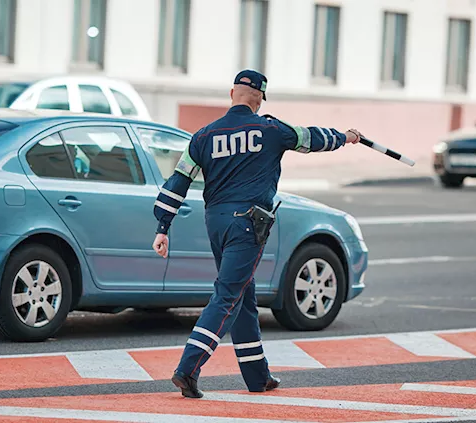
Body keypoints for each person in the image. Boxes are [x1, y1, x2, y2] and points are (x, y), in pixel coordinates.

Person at [151, 69, 362, 398]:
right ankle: (187, 369)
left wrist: (163, 226)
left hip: (216, 223)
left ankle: (257, 376)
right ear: (260, 99)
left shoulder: (203, 136)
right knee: (227, 296)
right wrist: (345, 137)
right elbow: (312, 138)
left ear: (231, 94)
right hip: (247, 224)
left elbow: (178, 181)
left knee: (243, 296)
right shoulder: (271, 129)